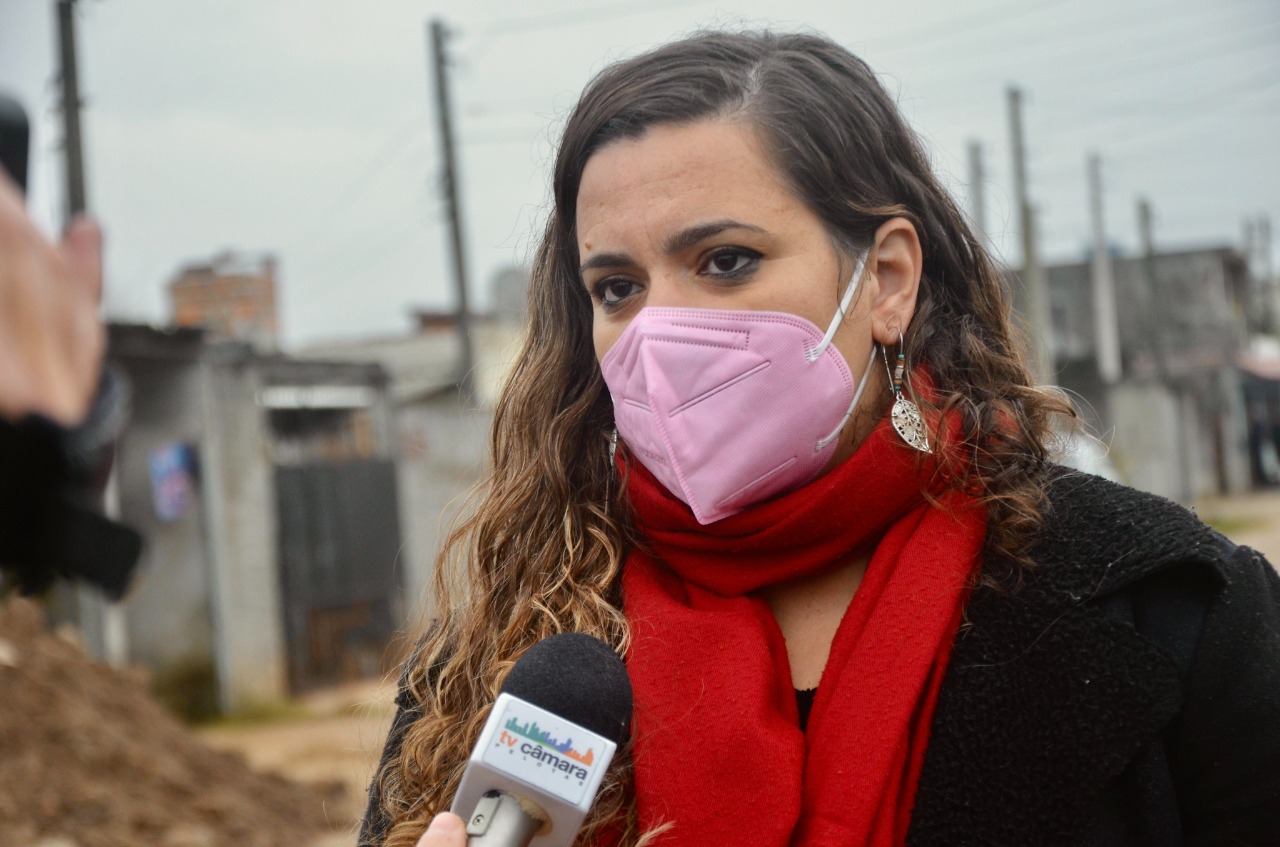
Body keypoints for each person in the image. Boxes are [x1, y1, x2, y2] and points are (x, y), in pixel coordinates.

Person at [361, 31, 1280, 847]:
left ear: (886, 280)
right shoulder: (505, 654)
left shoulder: (1171, 608)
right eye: (616, 286)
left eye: (726, 262)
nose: (657, 330)